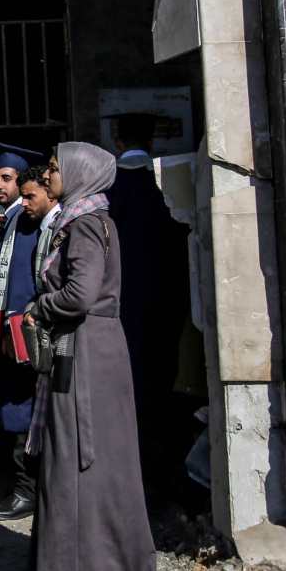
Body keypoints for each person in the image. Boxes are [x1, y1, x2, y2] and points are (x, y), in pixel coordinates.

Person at [25, 142, 156, 571]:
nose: (48, 177)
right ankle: (105, 570)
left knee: (78, 457)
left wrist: (41, 306)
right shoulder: (88, 219)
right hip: (94, 351)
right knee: (92, 460)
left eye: (55, 169)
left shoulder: (82, 224)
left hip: (83, 354)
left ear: (79, 174)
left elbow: (80, 295)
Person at [107, 113, 191, 496]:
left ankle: (131, 470)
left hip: (123, 304)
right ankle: (162, 471)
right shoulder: (168, 181)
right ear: (151, 143)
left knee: (129, 385)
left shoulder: (108, 190)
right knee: (162, 381)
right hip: (169, 300)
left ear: (117, 142)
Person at [0, 144, 43, 522]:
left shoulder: (32, 219)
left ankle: (27, 490)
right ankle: (21, 485)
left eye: (7, 179)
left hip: (23, 329)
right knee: (10, 407)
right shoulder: (7, 219)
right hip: (3, 328)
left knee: (23, 409)